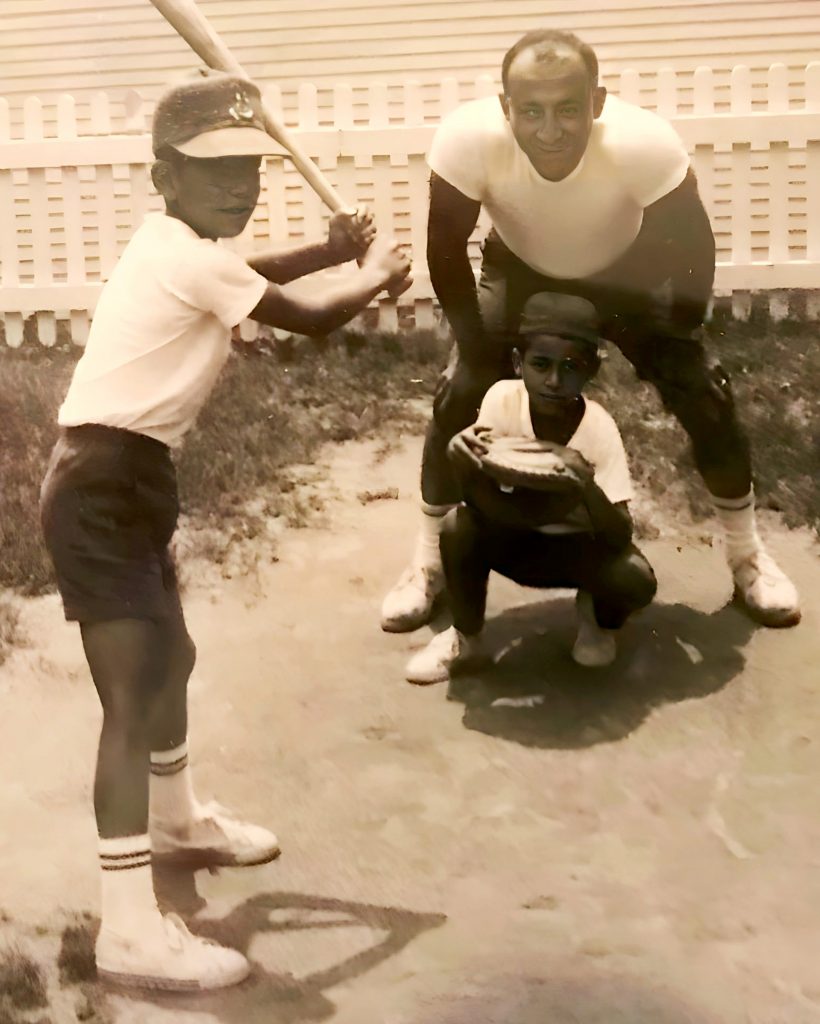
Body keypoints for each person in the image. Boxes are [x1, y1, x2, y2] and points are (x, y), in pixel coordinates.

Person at [39, 70, 410, 992]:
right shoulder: (187, 253)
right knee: (130, 696)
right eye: (213, 172)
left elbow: (247, 274)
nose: (238, 185)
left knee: (176, 659)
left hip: (130, 477)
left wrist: (325, 249)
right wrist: (370, 276)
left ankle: (177, 821)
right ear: (165, 178)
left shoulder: (176, 243)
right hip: (100, 490)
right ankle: (127, 928)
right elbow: (316, 325)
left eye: (249, 165)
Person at [381, 28, 799, 634]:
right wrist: (476, 349)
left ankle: (747, 554)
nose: (550, 130)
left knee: (705, 390)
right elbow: (444, 248)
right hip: (519, 267)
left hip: (625, 270)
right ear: (505, 109)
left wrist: (679, 332)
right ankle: (426, 562)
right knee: (460, 389)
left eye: (568, 109)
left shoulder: (644, 142)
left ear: (597, 104)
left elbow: (694, 244)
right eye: (531, 112)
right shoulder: (468, 139)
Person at [405, 292, 657, 684]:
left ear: (591, 370)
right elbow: (477, 502)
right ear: (520, 364)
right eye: (541, 364)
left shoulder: (598, 427)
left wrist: (584, 483)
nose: (554, 381)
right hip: (513, 543)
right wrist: (462, 458)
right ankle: (465, 638)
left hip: (574, 552)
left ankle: (595, 620)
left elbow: (620, 533)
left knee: (635, 579)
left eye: (571, 367)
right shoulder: (503, 401)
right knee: (457, 527)